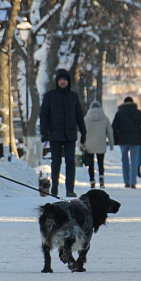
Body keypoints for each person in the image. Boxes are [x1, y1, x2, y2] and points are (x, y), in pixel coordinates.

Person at [39, 68, 87, 197]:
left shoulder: (73, 96)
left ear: (68, 81)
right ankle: (54, 188)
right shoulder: (50, 96)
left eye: (64, 79)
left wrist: (84, 132)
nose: (62, 82)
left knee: (70, 162)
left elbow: (79, 116)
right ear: (57, 81)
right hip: (54, 135)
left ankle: (69, 189)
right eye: (60, 79)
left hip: (70, 135)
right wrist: (44, 132)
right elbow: (44, 115)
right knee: (56, 162)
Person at [112, 96, 141, 189]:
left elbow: (114, 127)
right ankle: (133, 182)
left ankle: (126, 181)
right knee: (134, 161)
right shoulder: (138, 113)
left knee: (124, 160)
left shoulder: (119, 113)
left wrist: (115, 139)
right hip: (136, 140)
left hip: (123, 140)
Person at [83, 101, 114, 189]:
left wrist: (81, 144)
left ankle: (92, 180)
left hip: (89, 144)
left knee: (91, 164)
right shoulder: (105, 118)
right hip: (101, 144)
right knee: (101, 163)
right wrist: (111, 144)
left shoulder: (86, 119)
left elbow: (82, 132)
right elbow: (110, 132)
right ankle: (101, 178)